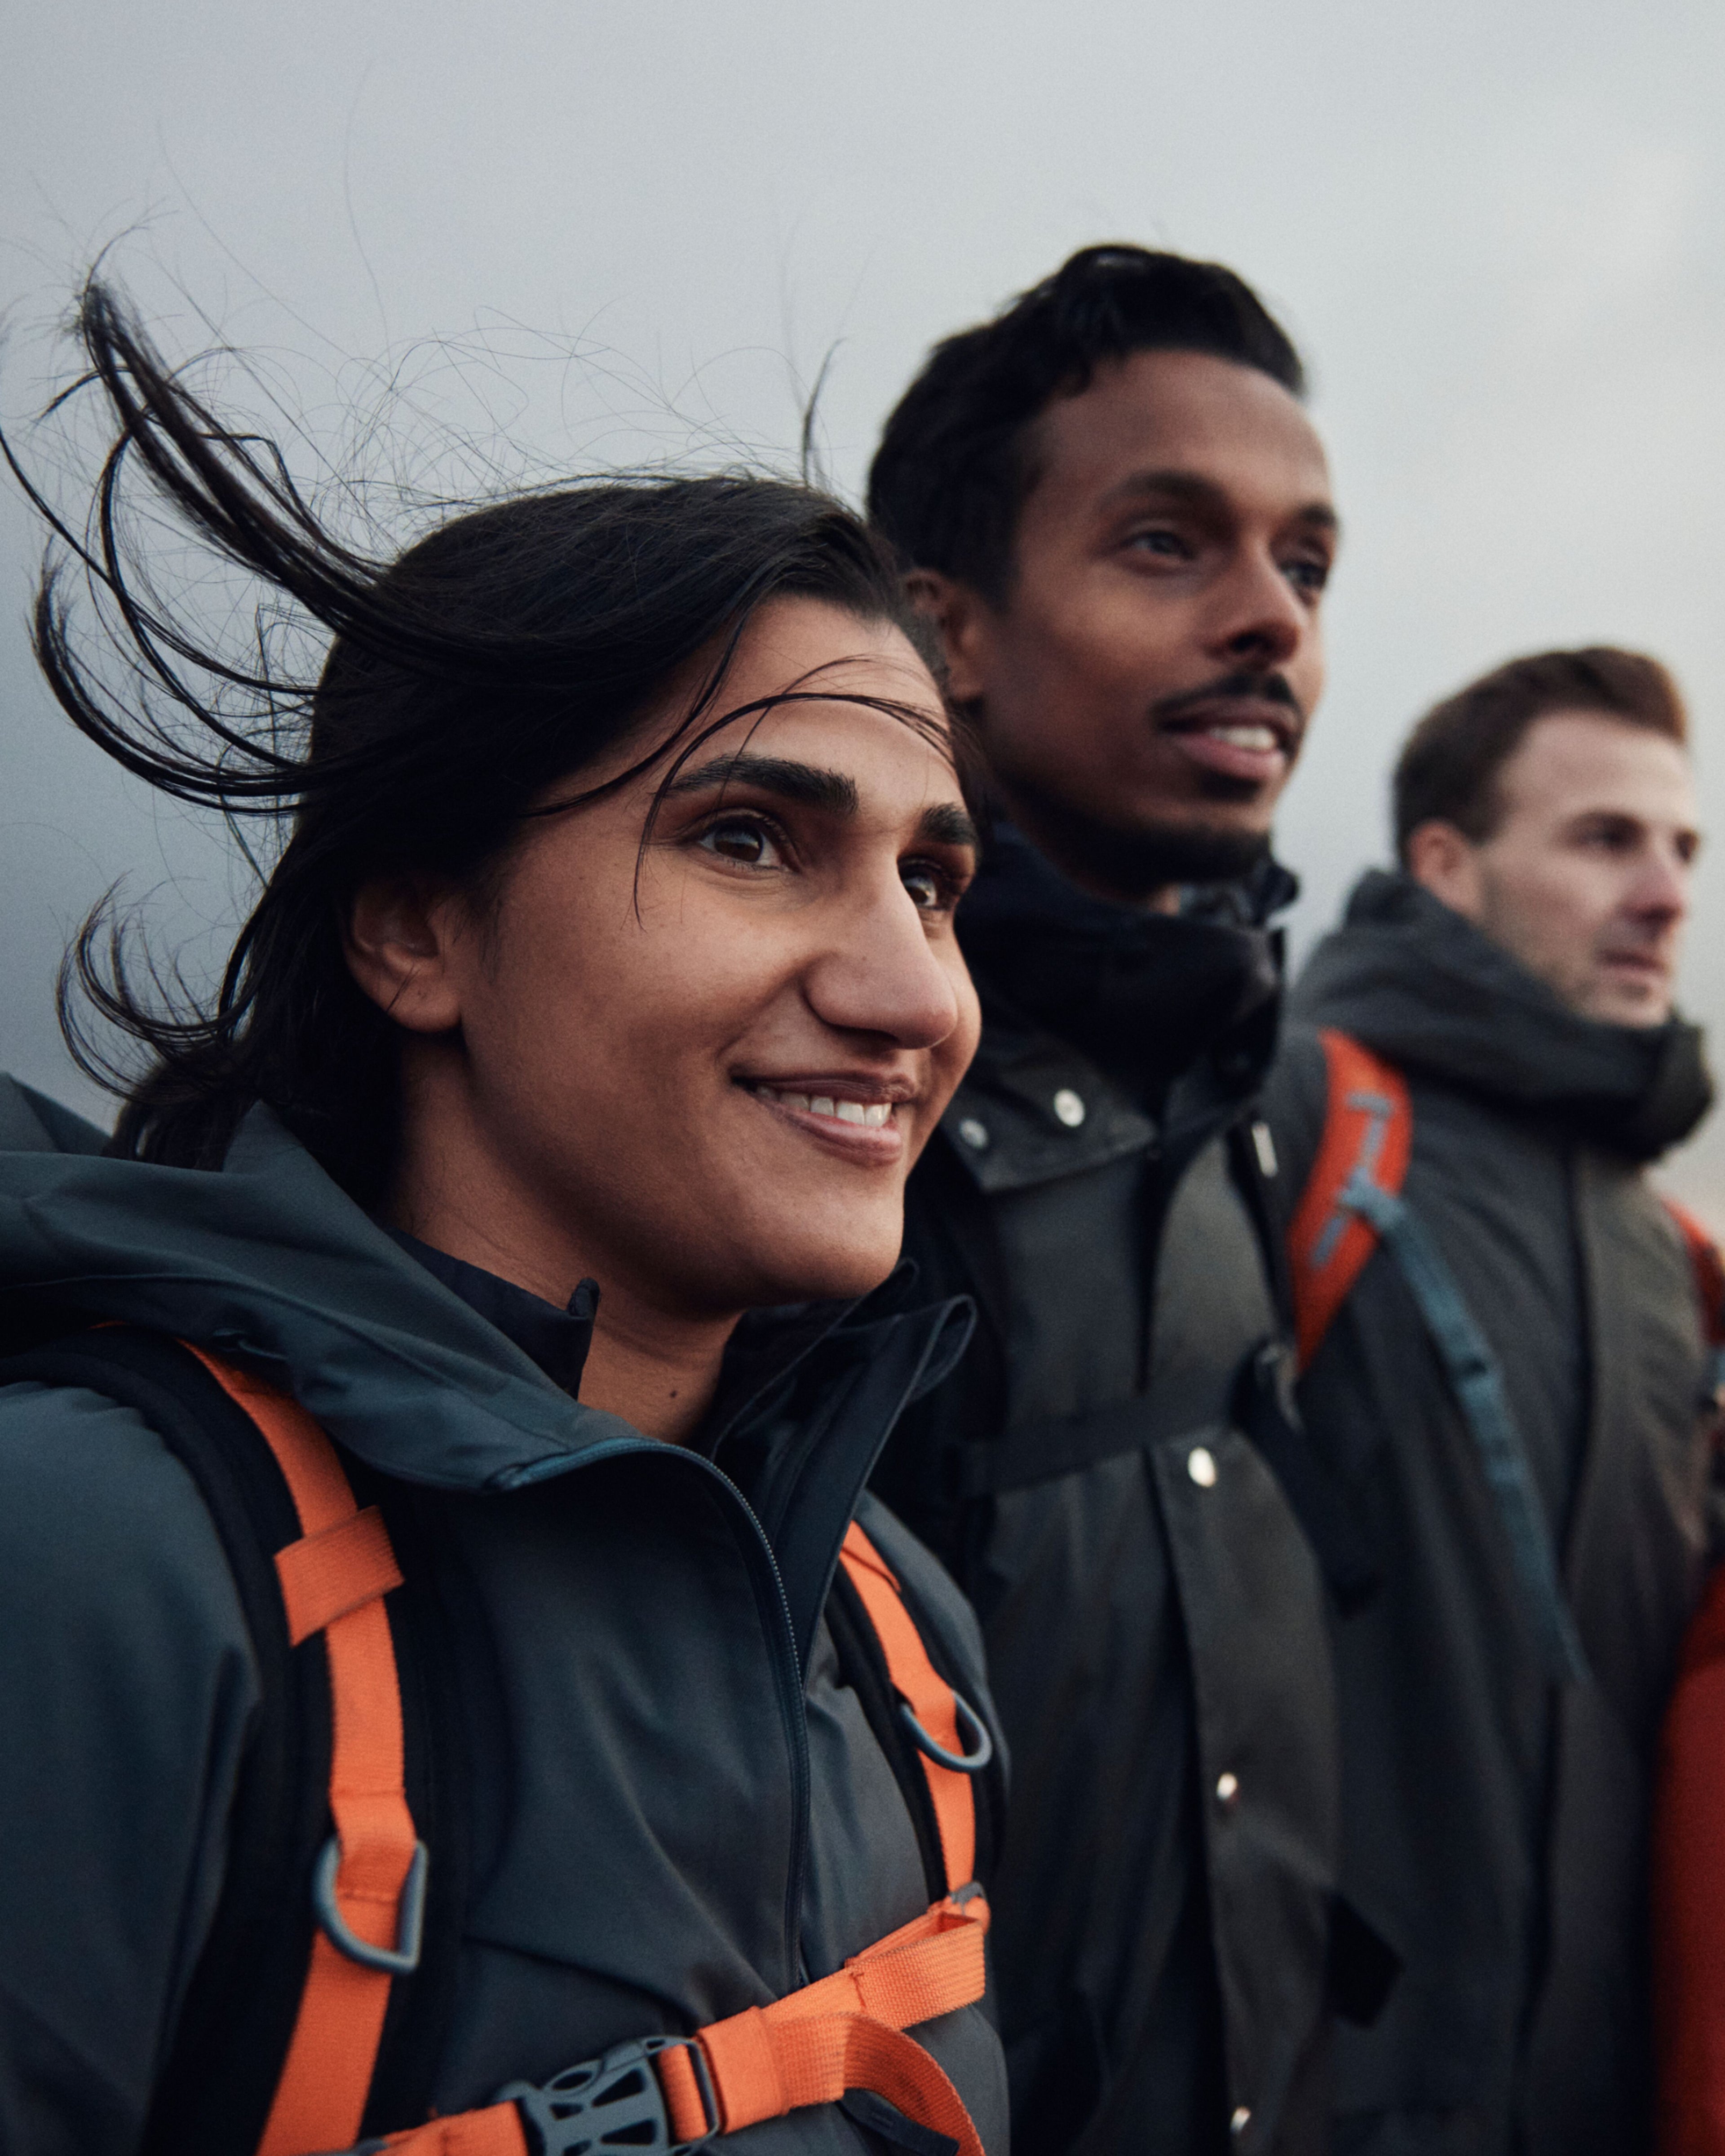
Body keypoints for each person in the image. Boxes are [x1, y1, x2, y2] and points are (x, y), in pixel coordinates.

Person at [0, 283, 1012, 2156]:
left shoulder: (903, 1633)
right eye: (749, 838)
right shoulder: (95, 1567)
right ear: (414, 930)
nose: (913, 994)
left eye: (933, 884)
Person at [867, 244, 1370, 2156]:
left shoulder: (1246, 1084)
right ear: (951, 631)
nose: (1273, 625)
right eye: (1170, 545)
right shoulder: (830, 1125)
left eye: (1307, 567)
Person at [1262, 646, 1719, 2156]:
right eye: (1604, 841)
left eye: (1682, 848)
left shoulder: (1668, 1251)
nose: (1664, 893)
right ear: (1446, 868)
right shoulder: (1298, 1126)